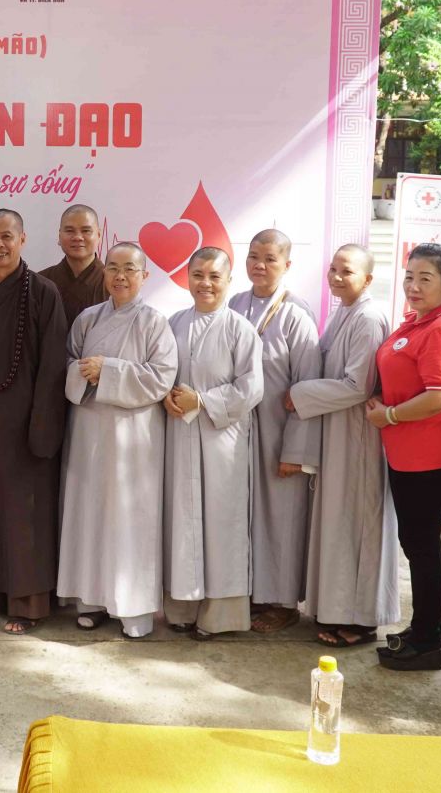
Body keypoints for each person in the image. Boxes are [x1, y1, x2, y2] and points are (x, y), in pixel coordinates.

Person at [57, 242, 178, 639]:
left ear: (145, 276)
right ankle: (91, 600)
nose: (120, 276)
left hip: (134, 437)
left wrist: (107, 371)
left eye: (129, 269)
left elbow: (161, 378)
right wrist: (84, 372)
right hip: (89, 430)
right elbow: (67, 364)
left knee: (130, 518)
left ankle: (133, 608)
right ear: (104, 272)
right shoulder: (88, 319)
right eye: (113, 267)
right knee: (89, 511)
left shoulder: (155, 323)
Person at [0, 210, 70, 635]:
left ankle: (28, 602)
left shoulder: (43, 292)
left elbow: (54, 364)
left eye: (6, 236)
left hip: (29, 423)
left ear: (22, 239)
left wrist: (42, 424)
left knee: (26, 511)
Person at [292, 244, 400, 649]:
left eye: (347, 271)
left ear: (368, 279)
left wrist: (300, 394)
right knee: (338, 522)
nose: (337, 277)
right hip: (336, 431)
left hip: (358, 435)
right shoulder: (343, 311)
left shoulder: (368, 318)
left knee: (359, 523)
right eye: (333, 269)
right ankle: (336, 608)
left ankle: (363, 618)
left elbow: (358, 385)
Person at [366, 243, 441, 670]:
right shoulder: (416, 322)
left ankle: (428, 640)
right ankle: (428, 629)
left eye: (426, 278)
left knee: (422, 546)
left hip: (429, 455)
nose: (414, 286)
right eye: (409, 277)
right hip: (407, 453)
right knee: (417, 544)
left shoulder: (440, 329)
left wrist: (389, 414)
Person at [164, 247, 263, 637]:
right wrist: (166, 396)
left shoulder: (240, 329)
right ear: (186, 278)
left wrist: (203, 401)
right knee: (181, 521)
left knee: (222, 524)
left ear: (228, 281)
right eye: (198, 275)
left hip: (222, 441)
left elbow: (251, 389)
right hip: (179, 435)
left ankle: (219, 617)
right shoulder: (174, 322)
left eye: (214, 276)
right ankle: (181, 609)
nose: (205, 283)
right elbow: (160, 371)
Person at [229, 229, 321, 634]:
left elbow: (307, 386)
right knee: (247, 514)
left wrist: (295, 451)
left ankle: (283, 603)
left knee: (281, 516)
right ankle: (252, 593)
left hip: (279, 433)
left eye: (270, 258)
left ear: (287, 264)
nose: (260, 265)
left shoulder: (296, 315)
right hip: (240, 430)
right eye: (254, 256)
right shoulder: (235, 303)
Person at [39, 204, 108, 326]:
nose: (77, 237)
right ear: (59, 236)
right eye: (70, 231)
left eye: (86, 231)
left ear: (98, 235)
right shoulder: (40, 281)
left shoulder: (112, 283)